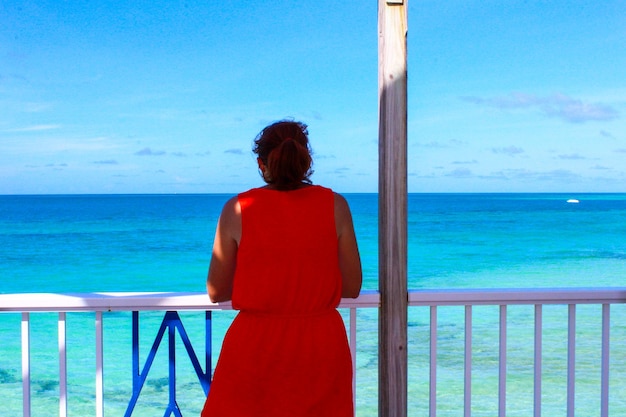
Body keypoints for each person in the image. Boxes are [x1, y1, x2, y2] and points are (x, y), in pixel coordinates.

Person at [201, 120, 362, 417]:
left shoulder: (239, 208)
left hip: (255, 346)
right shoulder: (335, 205)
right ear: (306, 161)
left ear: (262, 164)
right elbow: (352, 287)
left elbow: (216, 291)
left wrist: (263, 284)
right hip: (320, 346)